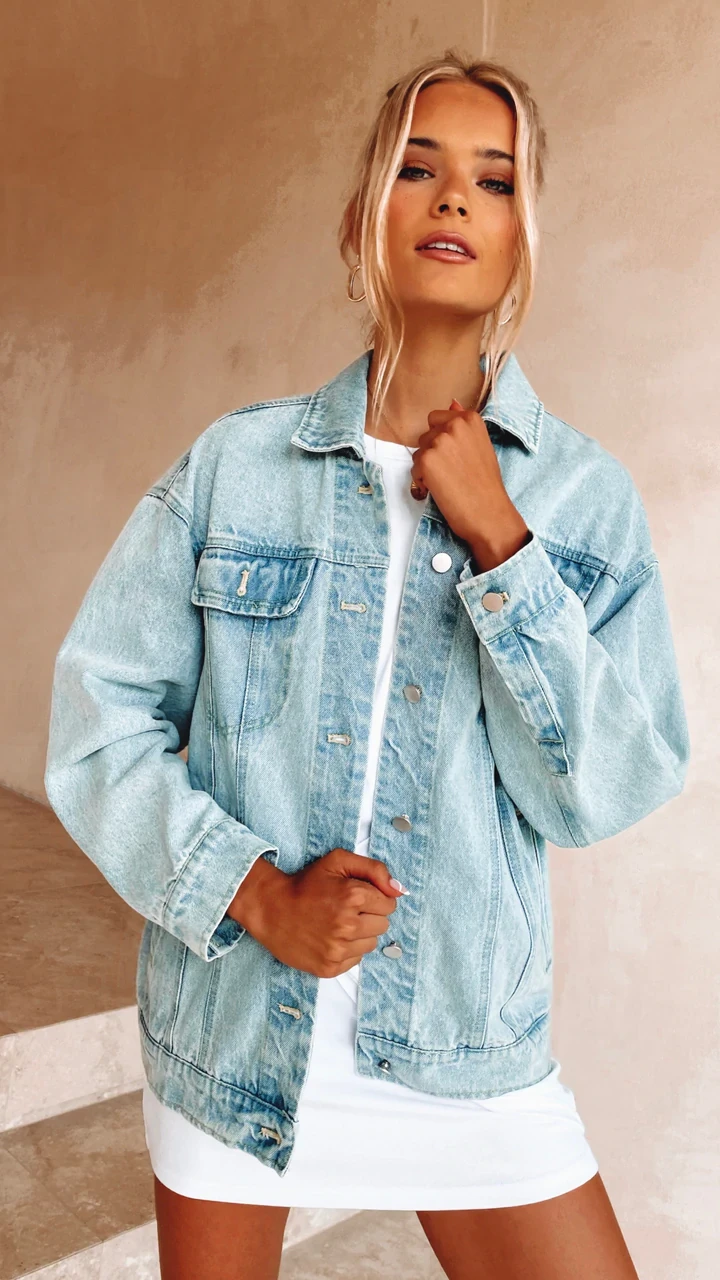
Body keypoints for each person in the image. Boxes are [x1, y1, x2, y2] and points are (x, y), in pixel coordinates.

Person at [44, 49, 690, 1280]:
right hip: (235, 1040)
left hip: (468, 1048)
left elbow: (606, 787)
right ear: (362, 220)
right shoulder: (233, 469)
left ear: (522, 237)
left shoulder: (583, 500)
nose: (454, 197)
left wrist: (503, 542)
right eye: (418, 167)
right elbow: (98, 720)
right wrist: (255, 893)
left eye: (493, 180)